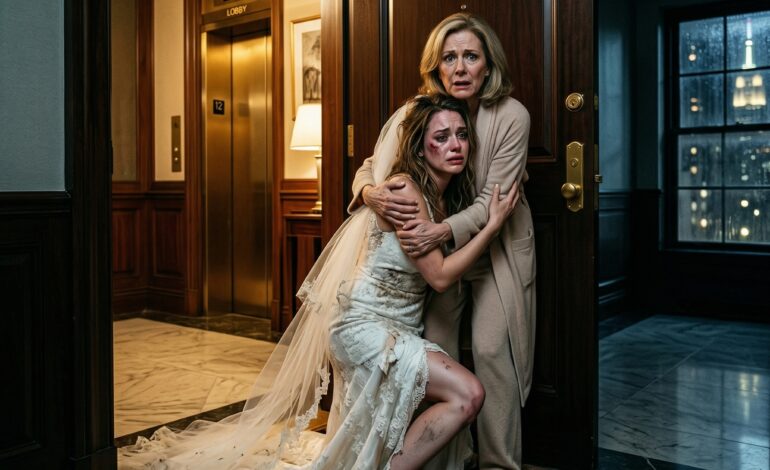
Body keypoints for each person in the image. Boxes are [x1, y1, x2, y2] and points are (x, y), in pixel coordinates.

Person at [118, 94, 517, 469]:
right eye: (441, 137)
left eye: (461, 135)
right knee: (468, 393)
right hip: (364, 328)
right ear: (419, 147)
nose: (455, 145)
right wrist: (492, 226)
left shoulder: (444, 197)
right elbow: (441, 277)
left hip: (395, 327)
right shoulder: (406, 191)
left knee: (371, 440)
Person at [349, 13, 536, 469]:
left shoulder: (513, 116)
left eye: (471, 56)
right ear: (436, 66)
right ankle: (444, 461)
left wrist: (442, 229)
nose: (460, 68)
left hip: (496, 245)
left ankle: (499, 464)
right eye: (449, 58)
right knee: (436, 348)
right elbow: (371, 166)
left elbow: (493, 203)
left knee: (492, 351)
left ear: (488, 65)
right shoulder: (419, 110)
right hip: (440, 256)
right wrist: (370, 193)